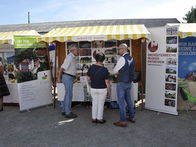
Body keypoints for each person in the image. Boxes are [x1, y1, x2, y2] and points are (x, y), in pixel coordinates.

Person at [113, 43, 136, 127]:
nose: (118, 51)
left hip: (121, 82)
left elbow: (114, 70)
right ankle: (132, 117)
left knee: (121, 102)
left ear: (123, 49)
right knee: (129, 100)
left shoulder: (122, 59)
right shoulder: (132, 58)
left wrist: (117, 72)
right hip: (129, 82)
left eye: (119, 49)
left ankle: (123, 120)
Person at [87, 53, 111, 124]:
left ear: (95, 59)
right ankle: (99, 118)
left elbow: (88, 78)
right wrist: (109, 91)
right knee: (101, 104)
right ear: (103, 60)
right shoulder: (105, 69)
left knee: (94, 103)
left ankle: (94, 118)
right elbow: (107, 82)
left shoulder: (91, 67)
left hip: (93, 88)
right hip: (102, 89)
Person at [57, 44, 79, 118]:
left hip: (69, 77)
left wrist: (74, 76)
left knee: (67, 94)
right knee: (69, 95)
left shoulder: (71, 57)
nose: (78, 51)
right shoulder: (70, 57)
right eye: (77, 50)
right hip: (67, 77)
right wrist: (58, 78)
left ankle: (64, 110)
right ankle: (68, 112)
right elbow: (61, 68)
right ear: (73, 50)